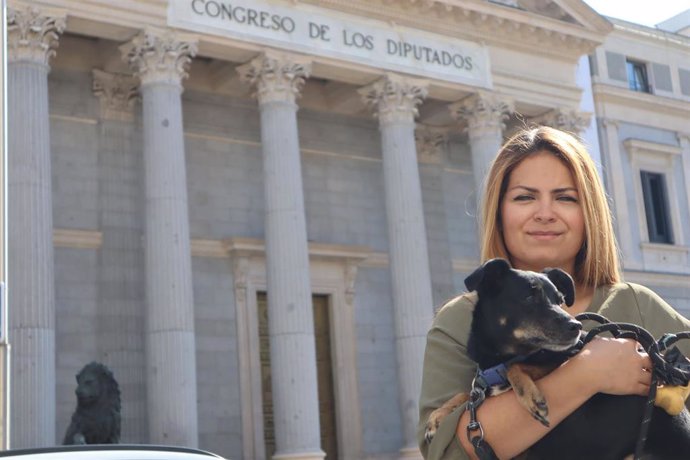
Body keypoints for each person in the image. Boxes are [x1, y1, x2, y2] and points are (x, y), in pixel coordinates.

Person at [417, 126, 690, 460]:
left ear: (588, 213)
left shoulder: (636, 305)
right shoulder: (461, 320)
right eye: (524, 197)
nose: (545, 213)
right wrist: (588, 373)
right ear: (499, 213)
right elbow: (445, 452)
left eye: (565, 197)